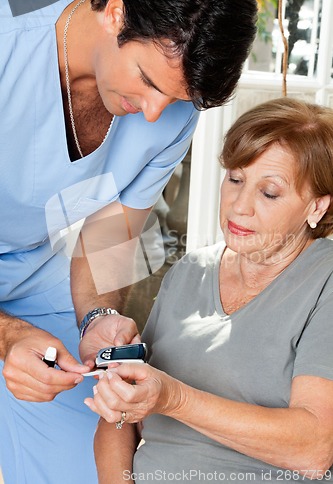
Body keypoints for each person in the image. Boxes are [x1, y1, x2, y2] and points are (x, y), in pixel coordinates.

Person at [0, 0, 257, 482]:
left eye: (177, 97)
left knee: (93, 451)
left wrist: (97, 316)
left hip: (29, 268)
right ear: (115, 11)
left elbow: (108, 239)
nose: (156, 112)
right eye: (147, 80)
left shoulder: (173, 114)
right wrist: (8, 335)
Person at [86, 97, 333, 484]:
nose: (239, 207)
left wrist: (174, 398)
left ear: (316, 208)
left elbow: (314, 450)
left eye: (269, 193)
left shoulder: (326, 279)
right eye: (235, 179)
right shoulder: (190, 271)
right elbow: (118, 416)